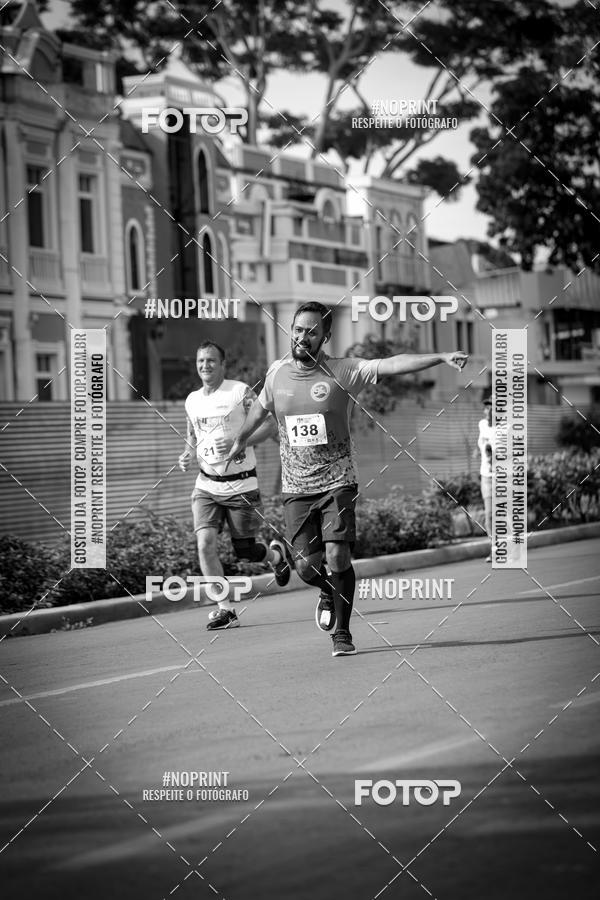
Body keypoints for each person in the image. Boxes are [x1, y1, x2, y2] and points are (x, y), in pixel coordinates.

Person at [225, 302, 468, 657]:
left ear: (325, 336)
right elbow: (260, 409)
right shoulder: (277, 373)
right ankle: (326, 589)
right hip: (296, 488)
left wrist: (442, 355)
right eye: (297, 329)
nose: (302, 337)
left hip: (338, 480)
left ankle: (342, 632)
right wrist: (240, 439)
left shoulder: (344, 371)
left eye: (311, 331)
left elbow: (392, 363)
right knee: (307, 569)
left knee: (338, 555)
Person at [179, 341, 292, 630]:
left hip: (241, 485)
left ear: (222, 364)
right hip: (206, 485)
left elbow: (269, 426)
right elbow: (193, 435)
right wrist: (188, 454)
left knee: (245, 550)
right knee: (204, 544)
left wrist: (238, 441)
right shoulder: (192, 400)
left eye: (211, 361)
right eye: (201, 361)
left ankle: (276, 556)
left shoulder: (239, 392)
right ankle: (225, 609)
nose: (205, 365)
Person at [476, 394, 494, 562]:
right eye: (486, 407)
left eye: (491, 407)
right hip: (486, 476)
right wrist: (480, 451)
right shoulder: (482, 425)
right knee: (489, 514)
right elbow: (480, 444)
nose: (487, 411)